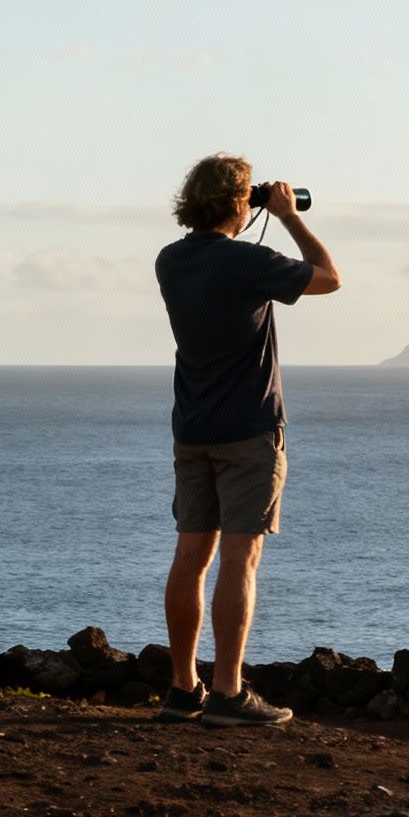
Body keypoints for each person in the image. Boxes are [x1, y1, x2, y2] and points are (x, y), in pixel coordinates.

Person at [152, 154, 341, 726]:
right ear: (241, 201)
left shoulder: (170, 260)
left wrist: (248, 213)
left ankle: (184, 688)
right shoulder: (248, 261)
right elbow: (329, 278)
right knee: (241, 557)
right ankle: (230, 692)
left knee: (190, 555)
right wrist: (287, 216)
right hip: (249, 429)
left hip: (194, 429)